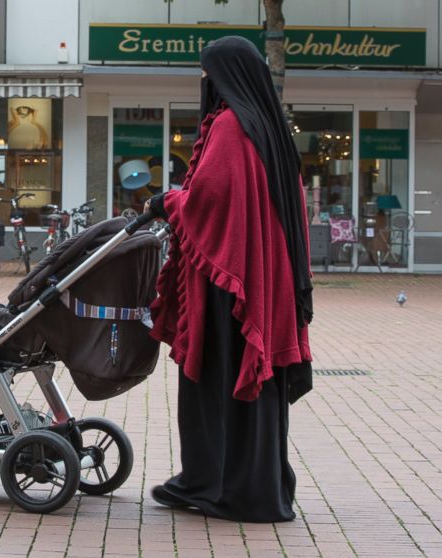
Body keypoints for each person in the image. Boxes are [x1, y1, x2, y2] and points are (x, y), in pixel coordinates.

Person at [143, 36, 313, 523]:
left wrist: (167, 202)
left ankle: (220, 487)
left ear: (221, 78)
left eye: (205, 73)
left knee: (217, 379)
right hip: (264, 281)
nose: (203, 83)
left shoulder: (229, 126)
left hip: (227, 285)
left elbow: (207, 198)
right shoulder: (269, 130)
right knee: (255, 388)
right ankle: (254, 486)